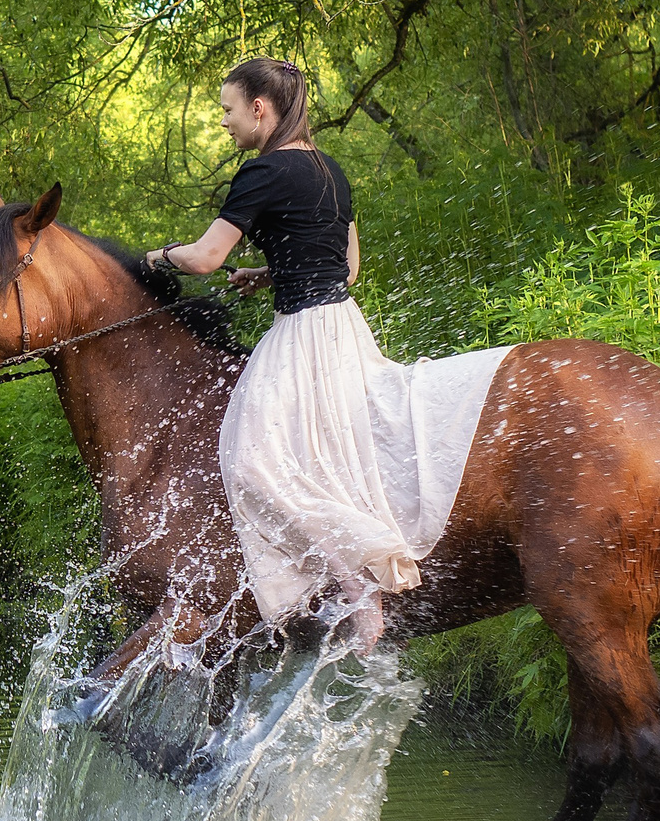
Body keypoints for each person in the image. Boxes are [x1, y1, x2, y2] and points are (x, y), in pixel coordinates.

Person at [145, 57, 507, 652]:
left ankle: (357, 592)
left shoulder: (261, 172)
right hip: (344, 329)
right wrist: (270, 272)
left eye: (228, 111)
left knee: (249, 463)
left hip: (301, 337)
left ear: (260, 107)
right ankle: (345, 584)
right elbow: (349, 269)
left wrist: (160, 256)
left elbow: (207, 257)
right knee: (324, 460)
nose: (226, 124)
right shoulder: (330, 170)